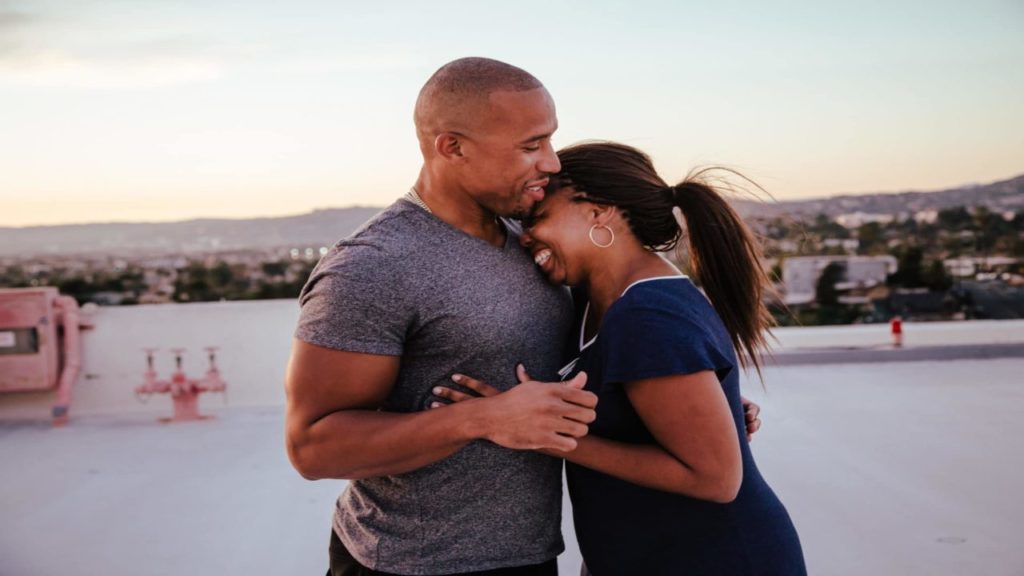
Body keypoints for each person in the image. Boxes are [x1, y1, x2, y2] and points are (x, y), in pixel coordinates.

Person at [286, 57, 762, 576]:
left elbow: (601, 351)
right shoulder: (375, 267)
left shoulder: (536, 244)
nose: (552, 163)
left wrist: (682, 403)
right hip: (409, 564)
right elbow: (312, 446)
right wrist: (480, 418)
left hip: (533, 558)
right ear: (453, 147)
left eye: (550, 140)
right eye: (531, 145)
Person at [434, 142, 805, 575]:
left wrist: (547, 436)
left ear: (599, 211)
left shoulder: (647, 314)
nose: (526, 236)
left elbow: (717, 479)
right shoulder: (593, 301)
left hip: (715, 558)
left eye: (540, 217)